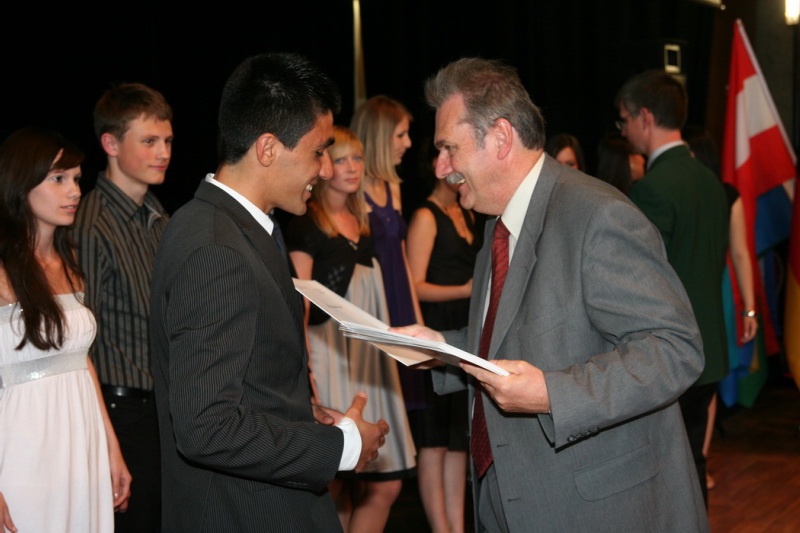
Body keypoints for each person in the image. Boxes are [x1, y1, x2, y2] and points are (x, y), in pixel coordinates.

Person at [396, 58, 708, 532]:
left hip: (596, 510)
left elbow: (675, 349)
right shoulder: (497, 227)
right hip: (509, 496)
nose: (441, 168)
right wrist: (441, 348)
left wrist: (551, 395)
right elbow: (514, 339)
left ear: (500, 138)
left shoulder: (597, 215)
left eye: (449, 149)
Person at [149, 52, 389, 533]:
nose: (325, 169)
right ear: (268, 148)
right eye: (318, 151)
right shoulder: (217, 247)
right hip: (245, 512)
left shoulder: (220, 224)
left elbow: (240, 380)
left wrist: (303, 413)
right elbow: (207, 426)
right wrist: (342, 447)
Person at [0, 127, 131, 532]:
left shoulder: (69, 262)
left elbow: (81, 361)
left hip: (81, 440)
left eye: (76, 179)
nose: (74, 191)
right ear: (21, 184)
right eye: (58, 179)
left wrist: (111, 446)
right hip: (23, 445)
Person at [287, 126, 416, 532]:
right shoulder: (307, 224)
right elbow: (300, 302)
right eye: (340, 158)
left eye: (357, 158)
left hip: (368, 362)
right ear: (322, 165)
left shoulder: (364, 225)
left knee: (385, 483)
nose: (351, 167)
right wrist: (306, 369)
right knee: (335, 482)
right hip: (329, 359)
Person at [618, 70, 730, 506]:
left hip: (670, 356)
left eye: (625, 119)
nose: (623, 130)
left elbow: (639, 281)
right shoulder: (710, 182)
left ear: (645, 117)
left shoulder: (653, 188)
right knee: (693, 466)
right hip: (710, 351)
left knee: (663, 482)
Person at [71, 82, 172, 531]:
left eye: (167, 140)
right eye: (149, 141)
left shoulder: (158, 214)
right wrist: (104, 437)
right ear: (111, 144)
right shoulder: (90, 225)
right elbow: (80, 340)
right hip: (121, 413)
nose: (163, 152)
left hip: (162, 407)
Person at [407, 147, 480, 533]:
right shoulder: (425, 215)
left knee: (457, 442)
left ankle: (456, 527)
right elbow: (415, 286)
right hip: (437, 329)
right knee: (433, 441)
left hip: (464, 330)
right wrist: (465, 289)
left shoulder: (468, 211)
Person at [683, 124, 759, 490]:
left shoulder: (725, 194)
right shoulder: (683, 191)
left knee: (709, 377)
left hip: (717, 292)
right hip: (691, 291)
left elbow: (741, 253)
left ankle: (701, 458)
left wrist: (749, 308)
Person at [351, 95, 424, 472]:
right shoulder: (352, 190)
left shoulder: (393, 187)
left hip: (399, 304)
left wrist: (418, 319)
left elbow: (404, 262)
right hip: (373, 307)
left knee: (402, 412)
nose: (407, 143)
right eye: (400, 135)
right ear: (380, 137)